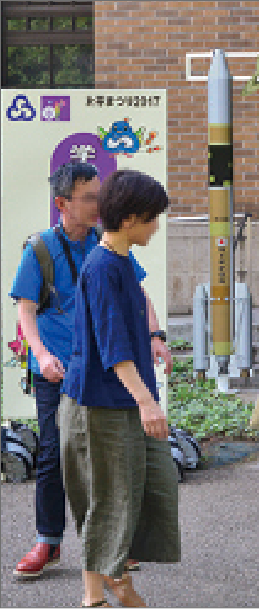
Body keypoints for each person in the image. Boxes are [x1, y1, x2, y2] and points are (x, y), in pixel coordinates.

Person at [9, 161, 170, 580]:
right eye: (89, 197)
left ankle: (110, 547)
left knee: (108, 459)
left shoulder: (107, 243)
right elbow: (25, 311)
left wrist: (156, 334)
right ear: (62, 203)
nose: (99, 203)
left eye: (100, 194)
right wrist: (42, 355)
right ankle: (49, 539)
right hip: (58, 370)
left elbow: (138, 293)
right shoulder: (40, 249)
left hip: (103, 373)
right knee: (54, 455)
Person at [59, 169, 178, 607]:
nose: (157, 226)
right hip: (101, 402)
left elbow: (129, 327)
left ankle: (103, 589)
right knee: (110, 499)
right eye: (153, 218)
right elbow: (113, 348)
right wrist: (147, 402)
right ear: (130, 218)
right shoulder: (103, 266)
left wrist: (155, 337)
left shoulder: (119, 259)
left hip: (116, 398)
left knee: (122, 496)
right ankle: (103, 591)